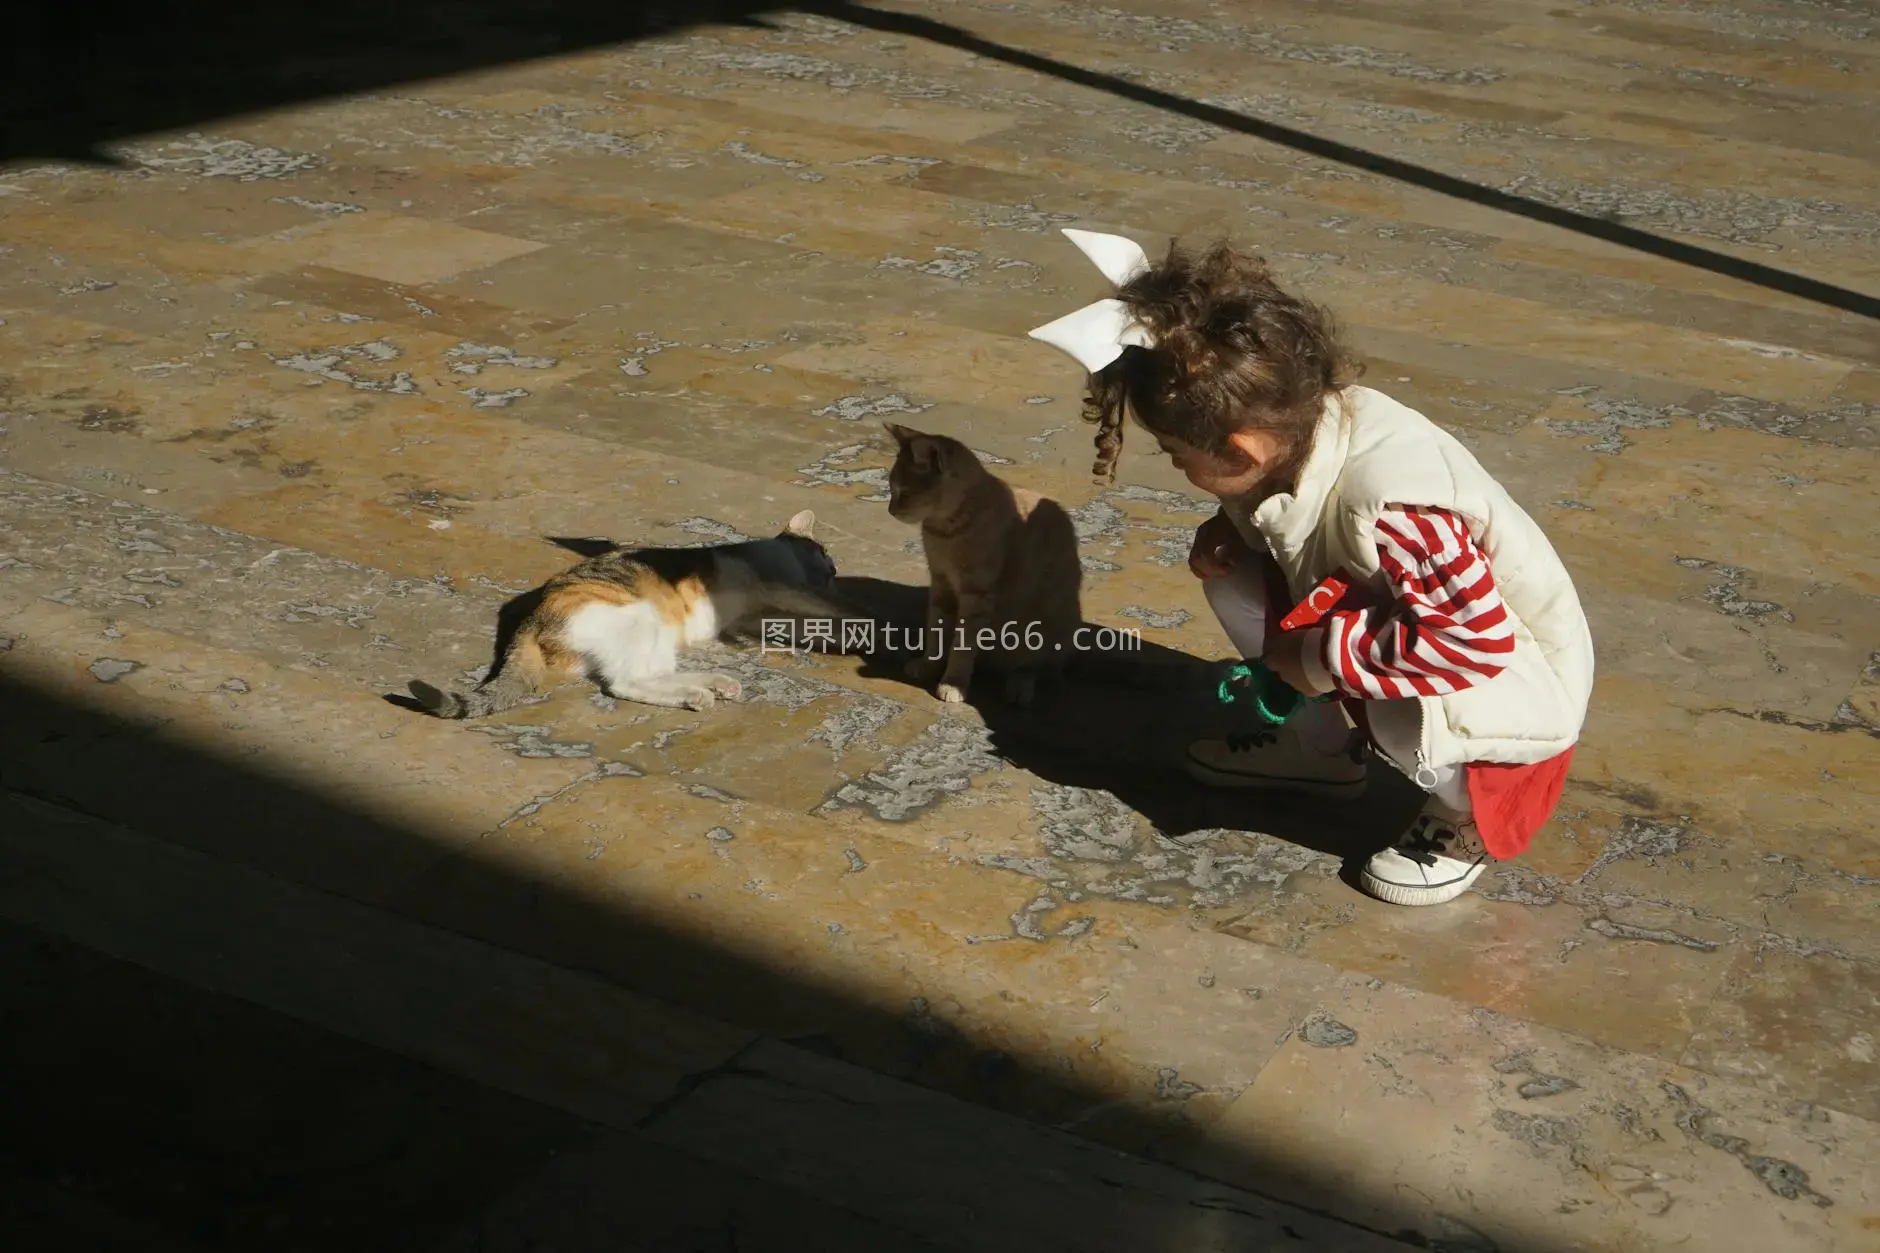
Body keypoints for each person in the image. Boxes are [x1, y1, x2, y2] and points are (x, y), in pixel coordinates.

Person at [1028, 229, 1595, 906]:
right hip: (1411, 630)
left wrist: (1320, 660)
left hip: (1514, 698)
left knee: (1392, 703)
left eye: (1180, 455)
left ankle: (1460, 817)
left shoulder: (1396, 508)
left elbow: (1471, 642)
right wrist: (1230, 530)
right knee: (1235, 581)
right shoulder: (1301, 430)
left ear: (1238, 451)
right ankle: (1321, 751)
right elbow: (1305, 524)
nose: (1180, 469)